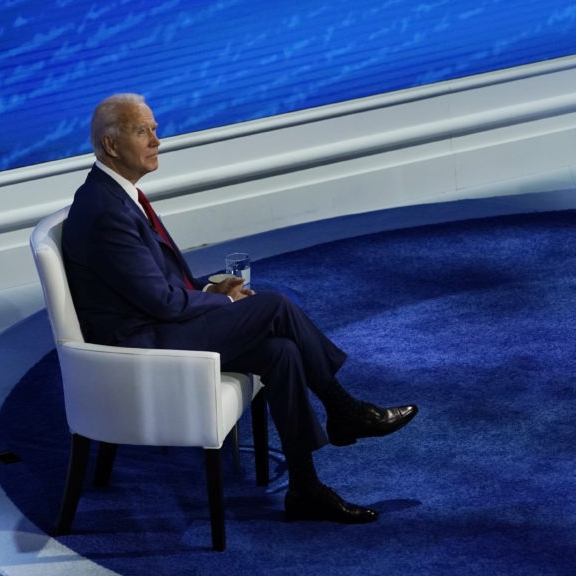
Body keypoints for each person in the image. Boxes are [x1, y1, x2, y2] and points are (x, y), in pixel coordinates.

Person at [61, 93, 418, 523]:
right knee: (275, 307)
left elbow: (155, 283)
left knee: (282, 353)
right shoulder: (105, 211)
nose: (157, 140)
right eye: (143, 132)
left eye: (155, 129)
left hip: (155, 323)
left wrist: (208, 286)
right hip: (140, 345)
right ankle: (346, 410)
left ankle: (305, 488)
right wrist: (221, 299)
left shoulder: (118, 197)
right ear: (110, 145)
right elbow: (158, 300)